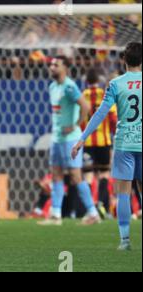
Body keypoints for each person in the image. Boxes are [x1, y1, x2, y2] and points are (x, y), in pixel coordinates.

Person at [72, 42, 142, 251]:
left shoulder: (115, 84)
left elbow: (100, 113)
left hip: (123, 144)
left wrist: (82, 138)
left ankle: (125, 241)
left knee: (123, 192)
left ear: (123, 60)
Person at [38, 55, 101, 226]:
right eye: (50, 65)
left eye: (55, 65)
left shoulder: (70, 86)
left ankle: (93, 212)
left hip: (70, 139)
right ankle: (56, 215)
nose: (51, 68)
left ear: (65, 68)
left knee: (75, 176)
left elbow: (86, 107)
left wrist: (75, 125)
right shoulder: (52, 86)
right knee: (56, 174)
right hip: (56, 138)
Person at [81, 68, 117, 218]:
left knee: (88, 176)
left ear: (86, 81)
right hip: (104, 142)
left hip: (88, 141)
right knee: (104, 174)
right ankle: (101, 204)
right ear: (99, 80)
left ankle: (88, 210)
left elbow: (81, 118)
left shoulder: (82, 96)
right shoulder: (104, 94)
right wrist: (113, 131)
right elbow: (113, 117)